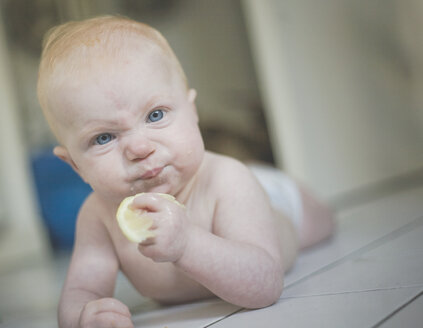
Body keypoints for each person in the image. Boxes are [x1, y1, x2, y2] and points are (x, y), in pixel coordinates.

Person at [37, 15, 334, 328]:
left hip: (275, 202)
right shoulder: (97, 216)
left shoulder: (228, 180)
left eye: (155, 115)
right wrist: (82, 316)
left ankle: (284, 188)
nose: (139, 148)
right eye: (104, 138)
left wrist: (187, 244)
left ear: (192, 111)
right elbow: (82, 290)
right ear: (74, 165)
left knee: (322, 221)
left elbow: (265, 285)